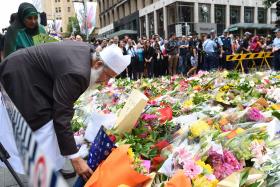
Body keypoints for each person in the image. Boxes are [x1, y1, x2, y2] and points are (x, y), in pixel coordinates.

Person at [0, 41, 130, 181]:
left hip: (28, 74)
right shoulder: (78, 73)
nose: (106, 82)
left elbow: (64, 106)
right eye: (108, 76)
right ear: (98, 65)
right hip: (20, 76)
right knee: (44, 125)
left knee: (52, 125)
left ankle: (51, 169)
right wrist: (75, 158)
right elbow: (61, 114)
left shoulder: (91, 56)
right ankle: (45, 175)